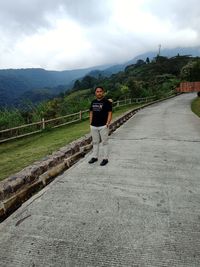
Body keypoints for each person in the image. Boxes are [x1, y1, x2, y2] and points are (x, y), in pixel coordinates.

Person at [88, 86, 112, 166]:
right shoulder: (93, 102)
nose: (99, 93)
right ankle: (95, 157)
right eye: (97, 91)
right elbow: (91, 112)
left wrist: (108, 123)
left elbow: (109, 112)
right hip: (94, 126)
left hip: (103, 126)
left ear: (103, 92)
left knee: (104, 142)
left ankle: (105, 159)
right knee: (95, 142)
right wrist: (90, 122)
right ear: (95, 93)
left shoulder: (107, 102)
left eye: (100, 91)